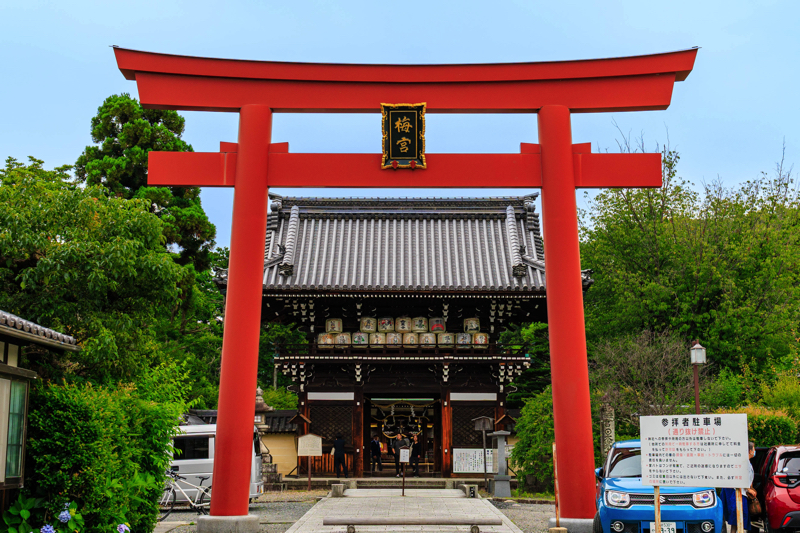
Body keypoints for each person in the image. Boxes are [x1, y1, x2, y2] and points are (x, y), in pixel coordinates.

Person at [722, 441, 756, 533]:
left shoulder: (748, 462)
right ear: (749, 451)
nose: (754, 451)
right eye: (753, 449)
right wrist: (748, 489)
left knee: (737, 519)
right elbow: (740, 478)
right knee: (738, 517)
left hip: (742, 493)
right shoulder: (743, 463)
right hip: (738, 493)